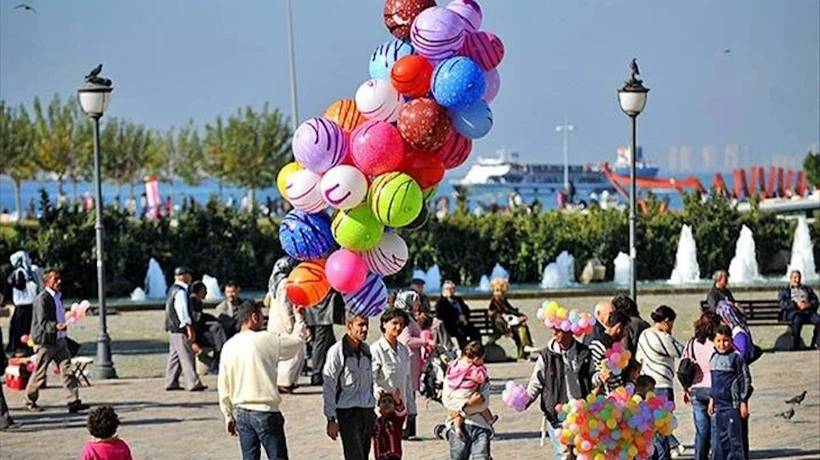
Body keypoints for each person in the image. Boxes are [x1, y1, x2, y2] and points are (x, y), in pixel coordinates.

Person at [218, 301, 306, 460]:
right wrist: (299, 318)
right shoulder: (266, 339)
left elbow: (223, 385)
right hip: (265, 411)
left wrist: (227, 415)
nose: (263, 320)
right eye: (261, 316)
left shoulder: (229, 346)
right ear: (253, 317)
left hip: (241, 412)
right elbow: (296, 343)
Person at [25, 268, 89, 413]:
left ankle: (73, 402)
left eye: (59, 279)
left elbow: (59, 315)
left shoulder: (58, 296)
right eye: (55, 279)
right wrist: (56, 326)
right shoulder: (42, 299)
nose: (59, 282)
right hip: (46, 342)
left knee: (68, 371)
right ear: (47, 282)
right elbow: (41, 323)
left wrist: (66, 319)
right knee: (39, 373)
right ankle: (29, 400)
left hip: (60, 340)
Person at [524, 324, 592, 460]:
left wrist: (600, 377)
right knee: (564, 455)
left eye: (559, 330)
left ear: (570, 332)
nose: (555, 333)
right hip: (556, 415)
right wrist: (526, 399)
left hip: (581, 414)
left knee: (582, 454)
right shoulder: (546, 355)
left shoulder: (584, 353)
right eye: (553, 330)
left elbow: (592, 377)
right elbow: (536, 381)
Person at [322, 313, 377, 460]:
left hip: (367, 411)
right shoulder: (337, 352)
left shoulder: (367, 351)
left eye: (366, 324)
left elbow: (372, 382)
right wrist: (331, 419)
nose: (365, 329)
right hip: (347, 413)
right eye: (360, 325)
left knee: (364, 455)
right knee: (354, 456)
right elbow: (329, 385)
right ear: (349, 326)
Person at [635, 305, 685, 459]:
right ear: (666, 321)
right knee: (663, 427)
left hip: (647, 386)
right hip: (662, 385)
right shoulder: (663, 337)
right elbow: (682, 351)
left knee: (651, 428)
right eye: (671, 324)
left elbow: (638, 358)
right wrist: (669, 335)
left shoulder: (644, 335)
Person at [708, 325, 752, 460]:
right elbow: (713, 382)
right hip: (719, 406)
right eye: (719, 341)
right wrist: (711, 400)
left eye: (726, 340)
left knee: (735, 440)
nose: (722, 344)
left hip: (733, 405)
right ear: (714, 342)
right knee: (722, 439)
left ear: (731, 341)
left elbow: (744, 380)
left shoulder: (736, 358)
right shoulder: (713, 358)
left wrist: (743, 402)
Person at [395, 291, 434, 440]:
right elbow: (406, 340)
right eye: (415, 301)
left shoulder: (408, 317)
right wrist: (425, 342)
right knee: (408, 394)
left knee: (410, 395)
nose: (418, 304)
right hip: (409, 361)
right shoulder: (404, 319)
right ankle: (407, 428)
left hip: (413, 361)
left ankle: (410, 429)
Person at [682, 312, 721, 460]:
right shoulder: (716, 344)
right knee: (715, 432)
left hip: (696, 389)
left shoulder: (691, 343)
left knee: (701, 432)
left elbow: (684, 368)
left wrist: (685, 389)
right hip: (714, 389)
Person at [266, 256, 305, 393]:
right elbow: (285, 305)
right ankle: (286, 382)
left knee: (283, 354)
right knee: (295, 351)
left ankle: (286, 381)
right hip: (284, 322)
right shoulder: (284, 284)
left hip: (275, 322)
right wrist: (291, 323)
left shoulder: (273, 282)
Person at [164, 266, 206, 392]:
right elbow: (183, 312)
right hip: (180, 328)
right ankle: (193, 382)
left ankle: (170, 381)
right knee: (187, 355)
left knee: (175, 356)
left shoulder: (172, 289)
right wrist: (189, 328)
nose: (190, 277)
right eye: (188, 274)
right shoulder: (181, 292)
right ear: (183, 276)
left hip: (172, 328)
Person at [443, 341, 497, 440]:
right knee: (482, 408)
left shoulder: (455, 364)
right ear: (476, 359)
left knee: (456, 413)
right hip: (468, 393)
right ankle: (490, 420)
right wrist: (482, 370)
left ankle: (457, 428)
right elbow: (481, 379)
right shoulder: (473, 369)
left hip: (455, 393)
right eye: (482, 359)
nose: (482, 362)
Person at [372, 309, 413, 430]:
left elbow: (407, 381)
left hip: (400, 409)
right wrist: (378, 392)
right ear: (384, 324)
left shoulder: (403, 350)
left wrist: (411, 408)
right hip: (382, 409)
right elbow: (370, 379)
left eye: (401, 324)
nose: (398, 327)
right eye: (394, 323)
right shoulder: (376, 350)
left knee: (396, 445)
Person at [302, 288, 344, 386]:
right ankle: (316, 375)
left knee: (329, 343)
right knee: (320, 344)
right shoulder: (325, 276)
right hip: (323, 312)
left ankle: (335, 370)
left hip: (313, 308)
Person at [6, 250, 42, 356]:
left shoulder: (20, 272)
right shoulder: (29, 271)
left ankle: (21, 348)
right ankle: (27, 347)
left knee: (19, 328)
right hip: (29, 305)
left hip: (22, 305)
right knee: (26, 328)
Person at [488, 278, 535, 359]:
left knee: (522, 327)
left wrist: (521, 316)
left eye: (500, 291)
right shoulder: (494, 302)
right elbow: (499, 313)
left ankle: (524, 350)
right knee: (521, 328)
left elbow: (511, 310)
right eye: (496, 291)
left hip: (508, 324)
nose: (497, 293)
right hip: (501, 326)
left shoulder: (503, 300)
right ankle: (526, 348)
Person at [189, 281, 227, 375]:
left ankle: (216, 362)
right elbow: (196, 319)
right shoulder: (193, 301)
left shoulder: (196, 301)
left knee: (217, 331)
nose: (206, 293)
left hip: (198, 332)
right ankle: (217, 362)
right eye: (204, 291)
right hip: (196, 335)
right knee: (218, 334)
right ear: (199, 291)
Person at [589, 310, 631, 395]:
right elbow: (592, 371)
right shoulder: (599, 344)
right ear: (619, 327)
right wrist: (602, 377)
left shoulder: (616, 345)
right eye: (626, 329)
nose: (626, 334)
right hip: (604, 398)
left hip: (618, 396)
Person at [778, 270, 819, 350]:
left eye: (799, 278)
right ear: (790, 278)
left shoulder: (807, 289)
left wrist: (808, 304)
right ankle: (795, 344)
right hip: (793, 312)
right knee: (797, 319)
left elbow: (816, 301)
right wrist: (795, 304)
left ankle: (816, 343)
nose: (797, 280)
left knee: (819, 320)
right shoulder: (784, 290)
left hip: (807, 311)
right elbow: (782, 303)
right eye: (795, 277)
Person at [434, 280, 480, 349]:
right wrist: (457, 318)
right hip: (450, 326)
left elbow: (466, 310)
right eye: (448, 289)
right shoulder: (441, 301)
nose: (450, 290)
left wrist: (465, 317)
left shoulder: (458, 299)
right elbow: (440, 315)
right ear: (444, 290)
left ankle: (476, 350)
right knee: (461, 333)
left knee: (475, 331)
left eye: (452, 288)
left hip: (463, 323)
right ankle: (464, 351)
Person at [372, 392, 406, 460]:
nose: (386, 403)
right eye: (383, 401)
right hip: (380, 456)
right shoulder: (377, 422)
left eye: (390, 402)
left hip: (393, 456)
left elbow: (401, 413)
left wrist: (398, 402)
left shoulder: (396, 421)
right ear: (379, 405)